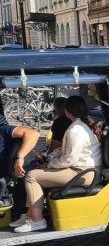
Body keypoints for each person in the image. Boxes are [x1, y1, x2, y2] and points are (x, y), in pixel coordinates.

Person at [16, 95, 102, 233]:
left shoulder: (76, 130)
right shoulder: (81, 126)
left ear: (67, 111)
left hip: (82, 172)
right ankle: (29, 215)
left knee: (32, 176)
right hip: (83, 169)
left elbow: (70, 159)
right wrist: (49, 161)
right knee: (39, 172)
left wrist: (50, 165)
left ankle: (37, 220)